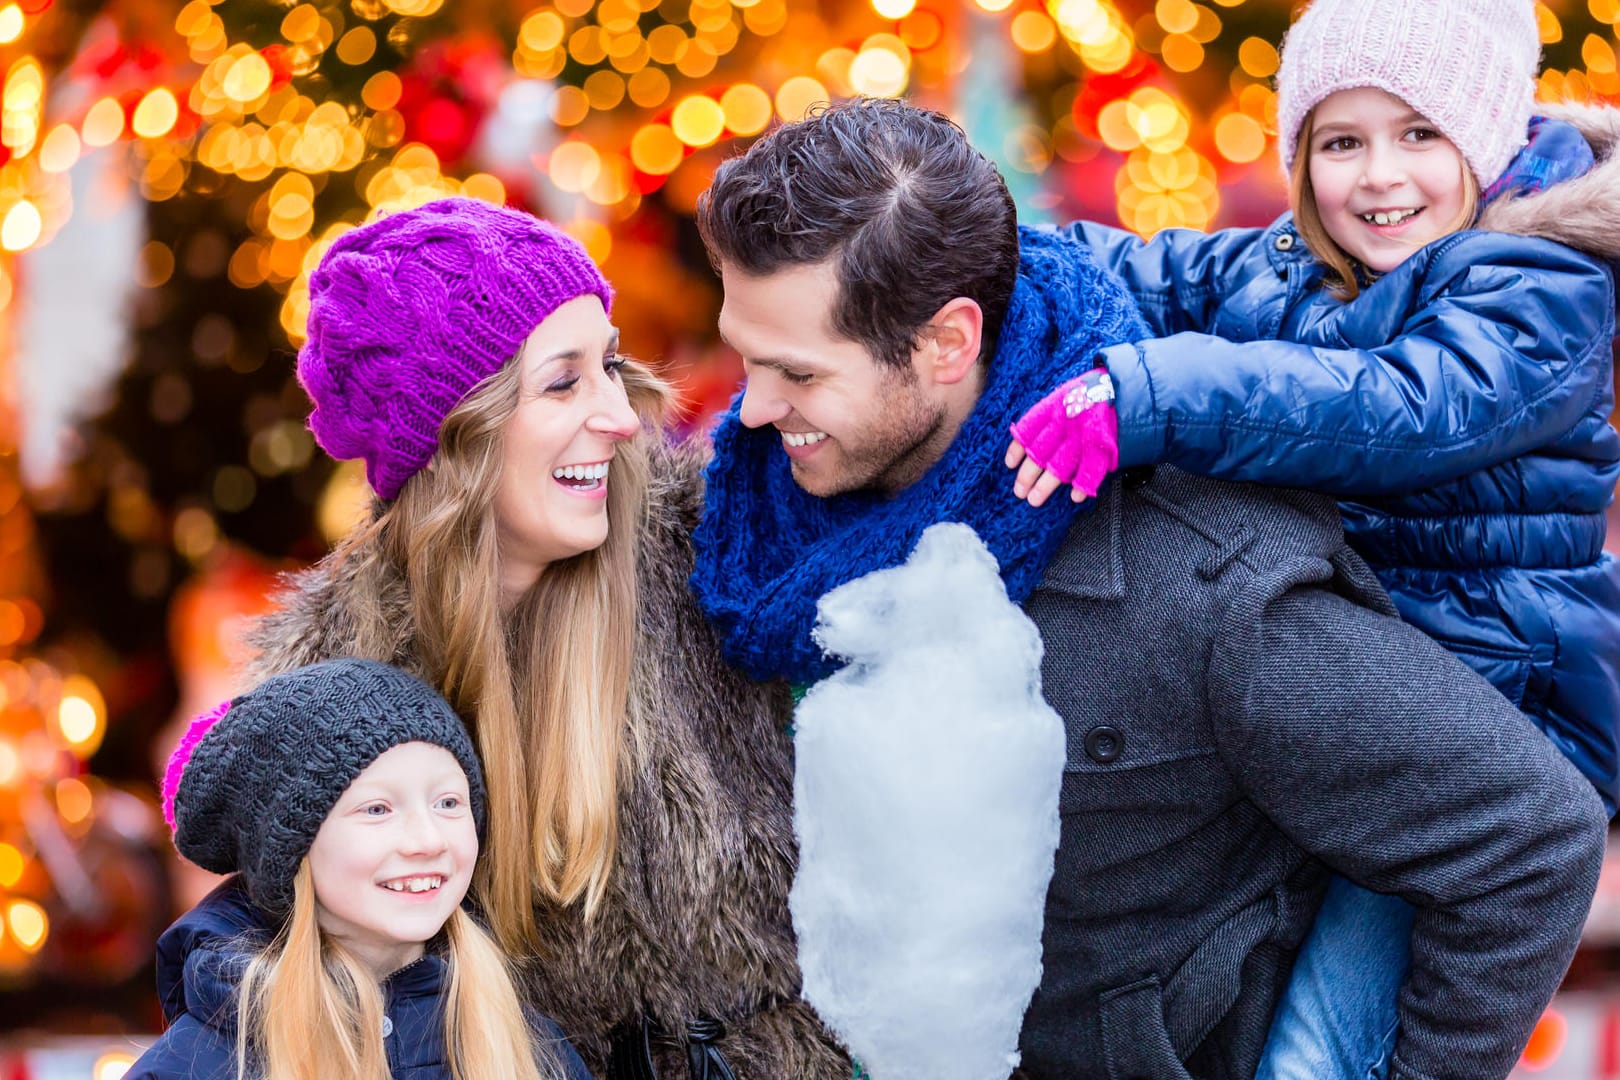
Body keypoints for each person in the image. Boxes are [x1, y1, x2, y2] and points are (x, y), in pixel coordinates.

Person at [691, 95, 1608, 1080]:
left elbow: (1531, 836)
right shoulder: (741, 530)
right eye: (747, 356)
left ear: (949, 343)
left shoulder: (1211, 585)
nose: (754, 408)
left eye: (797, 372)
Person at [1003, 0, 1620, 1074]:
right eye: (1342, 141)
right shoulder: (1296, 262)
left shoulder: (1541, 284)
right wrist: (971, 244)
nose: (1379, 176)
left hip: (1483, 705)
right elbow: (1149, 270)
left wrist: (1149, 395)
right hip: (1333, 697)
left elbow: (1392, 406)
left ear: (1484, 135)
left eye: (1419, 133)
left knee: (1322, 1041)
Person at [235, 198, 851, 1079]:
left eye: (611, 366)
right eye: (564, 382)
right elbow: (268, 963)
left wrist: (1125, 401)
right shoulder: (337, 681)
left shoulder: (726, 548)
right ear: (458, 440)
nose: (619, 416)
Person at [127, 657, 591, 1080]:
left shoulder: (526, 1046)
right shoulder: (198, 1065)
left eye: (448, 802)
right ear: (295, 849)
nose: (427, 840)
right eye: (377, 809)